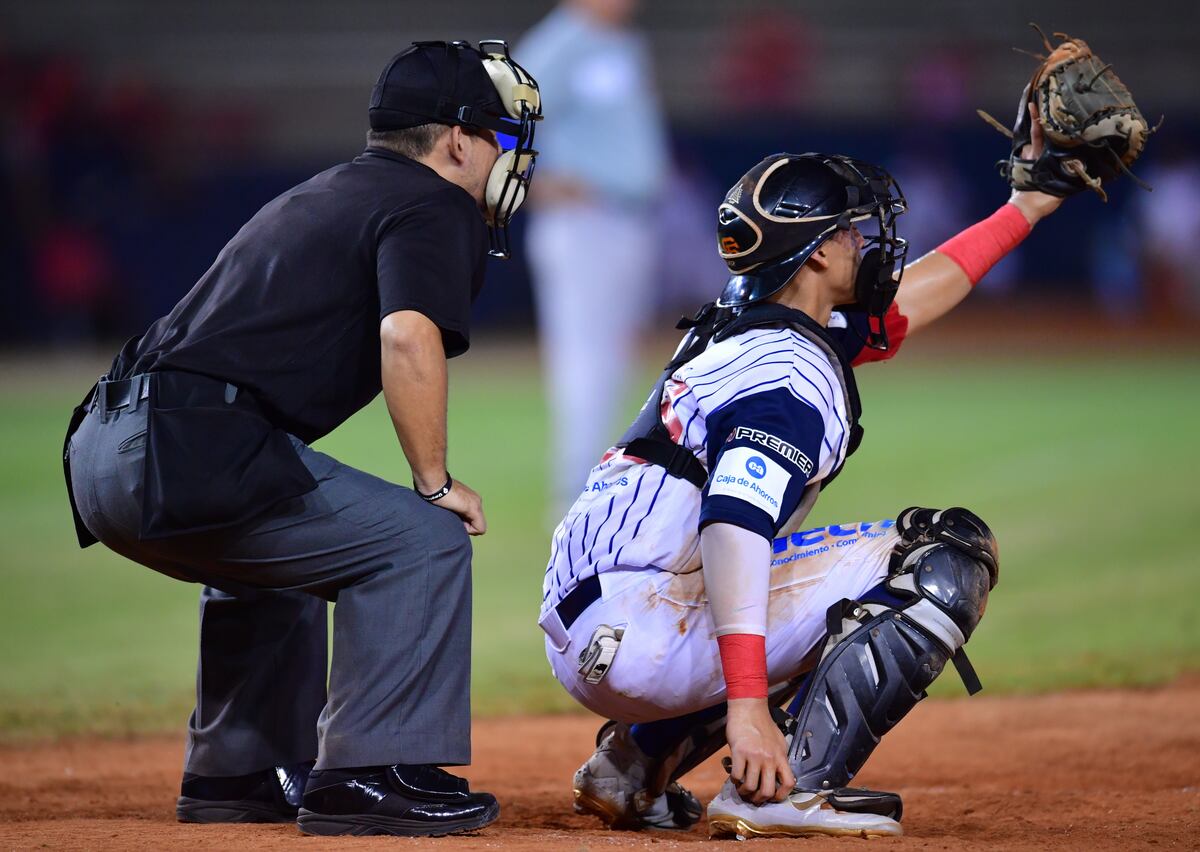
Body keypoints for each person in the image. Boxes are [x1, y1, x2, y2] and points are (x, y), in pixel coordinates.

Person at [62, 40, 541, 838]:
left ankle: (237, 772)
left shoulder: (327, 190)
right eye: (501, 136)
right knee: (423, 541)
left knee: (285, 551)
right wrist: (433, 480)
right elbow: (407, 336)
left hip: (103, 448)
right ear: (458, 140)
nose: (508, 156)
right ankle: (364, 775)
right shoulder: (434, 201)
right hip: (186, 445)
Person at [538, 132, 1064, 836]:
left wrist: (1026, 207)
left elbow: (912, 299)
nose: (863, 239)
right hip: (645, 625)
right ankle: (786, 788)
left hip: (594, 617)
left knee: (806, 604)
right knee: (940, 558)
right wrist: (750, 706)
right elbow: (733, 522)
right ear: (816, 252)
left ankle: (634, 764)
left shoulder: (745, 320)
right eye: (849, 229)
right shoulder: (787, 372)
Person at [517, 0, 670, 514]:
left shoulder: (622, 41)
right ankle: (573, 500)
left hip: (628, 218)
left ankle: (608, 486)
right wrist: (533, 182)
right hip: (583, 224)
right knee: (585, 363)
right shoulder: (557, 43)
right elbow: (501, 123)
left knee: (616, 362)